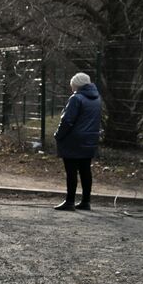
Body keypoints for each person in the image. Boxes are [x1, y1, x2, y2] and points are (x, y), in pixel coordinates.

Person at [53, 72, 101, 211]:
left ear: (76, 85)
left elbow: (67, 120)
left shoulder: (76, 98)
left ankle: (70, 201)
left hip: (73, 140)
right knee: (86, 170)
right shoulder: (97, 98)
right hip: (90, 138)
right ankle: (86, 201)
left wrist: (58, 135)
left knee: (71, 171)